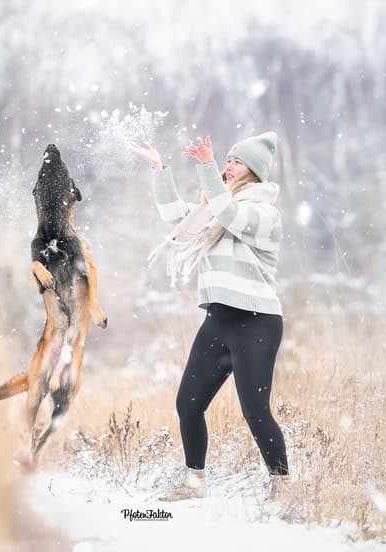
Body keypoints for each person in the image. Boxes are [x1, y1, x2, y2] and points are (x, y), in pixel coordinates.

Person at [132, 132, 289, 503]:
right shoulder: (212, 214)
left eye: (235, 161)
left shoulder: (265, 214)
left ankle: (282, 487)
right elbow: (176, 218)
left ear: (253, 171)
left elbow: (230, 214)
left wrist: (205, 166)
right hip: (219, 320)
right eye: (226, 160)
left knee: (255, 411)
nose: (226, 165)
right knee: (188, 403)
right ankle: (194, 483)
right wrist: (159, 169)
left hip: (257, 322)